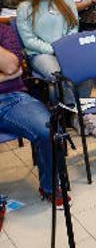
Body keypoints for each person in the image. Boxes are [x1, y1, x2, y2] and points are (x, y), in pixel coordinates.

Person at [16, 0, 96, 137]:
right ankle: (77, 114)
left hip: (66, 47)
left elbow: (73, 26)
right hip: (40, 53)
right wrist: (54, 49)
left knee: (88, 66)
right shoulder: (24, 8)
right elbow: (29, 40)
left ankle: (79, 112)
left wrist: (63, 47)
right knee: (58, 73)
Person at [0, 22, 63, 205]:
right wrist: (6, 75)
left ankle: (50, 187)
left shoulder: (4, 30)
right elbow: (11, 72)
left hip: (13, 98)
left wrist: (10, 73)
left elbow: (12, 67)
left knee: (48, 129)